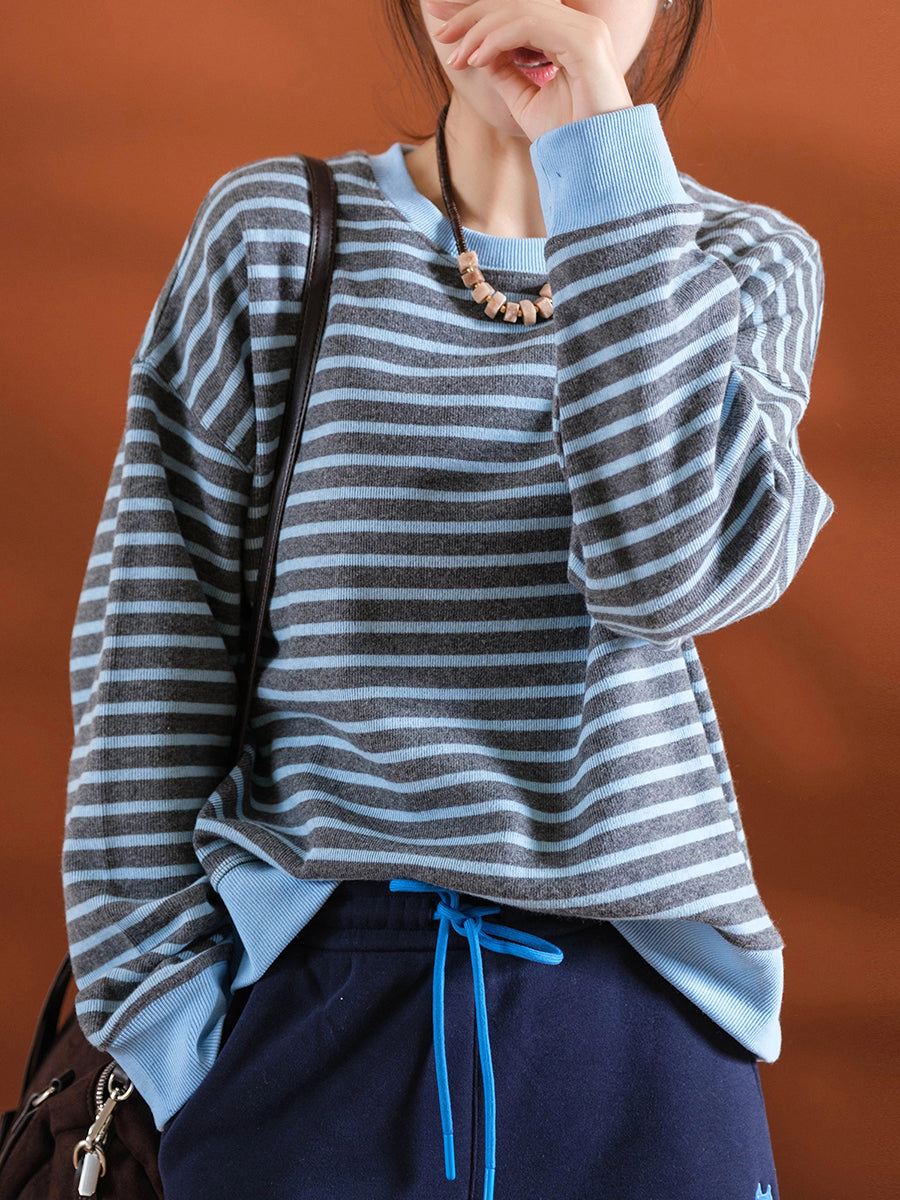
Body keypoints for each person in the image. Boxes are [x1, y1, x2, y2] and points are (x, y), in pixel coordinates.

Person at [62, 1, 833, 1197]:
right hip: (318, 1021)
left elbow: (665, 570)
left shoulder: (739, 264)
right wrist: (181, 1049)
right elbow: (147, 671)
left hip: (637, 1042)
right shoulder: (273, 237)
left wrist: (602, 156)